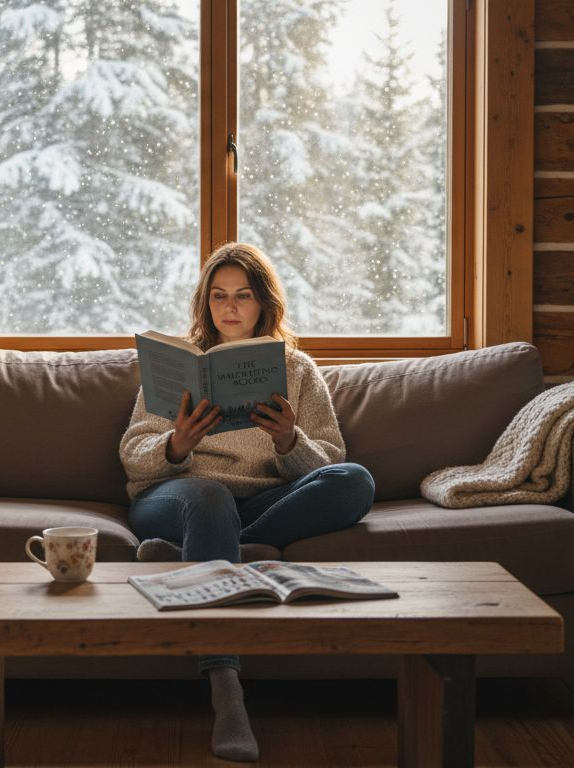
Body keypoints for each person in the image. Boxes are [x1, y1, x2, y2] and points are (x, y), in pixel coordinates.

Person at [118, 241, 376, 762]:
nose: (230, 307)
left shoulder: (297, 370)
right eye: (218, 295)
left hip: (261, 503)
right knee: (210, 497)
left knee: (356, 481)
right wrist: (176, 445)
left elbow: (330, 461)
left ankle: (196, 553)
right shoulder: (174, 367)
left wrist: (289, 441)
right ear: (205, 302)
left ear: (264, 302)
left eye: (243, 295)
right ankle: (226, 687)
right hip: (178, 497)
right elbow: (133, 456)